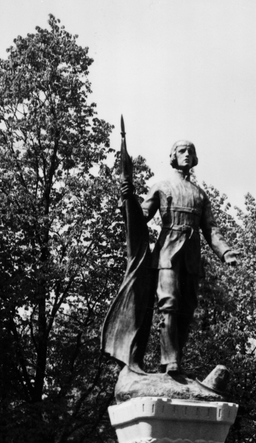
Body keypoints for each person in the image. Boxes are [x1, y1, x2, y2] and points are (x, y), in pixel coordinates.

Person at [101, 139, 239, 376]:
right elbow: (141, 215)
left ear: (195, 159)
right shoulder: (161, 187)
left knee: (187, 309)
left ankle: (172, 362)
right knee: (169, 304)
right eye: (182, 151)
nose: (187, 155)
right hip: (167, 253)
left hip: (191, 258)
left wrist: (225, 252)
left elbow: (211, 229)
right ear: (173, 156)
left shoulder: (200, 195)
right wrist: (128, 199)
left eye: (191, 152)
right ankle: (170, 360)